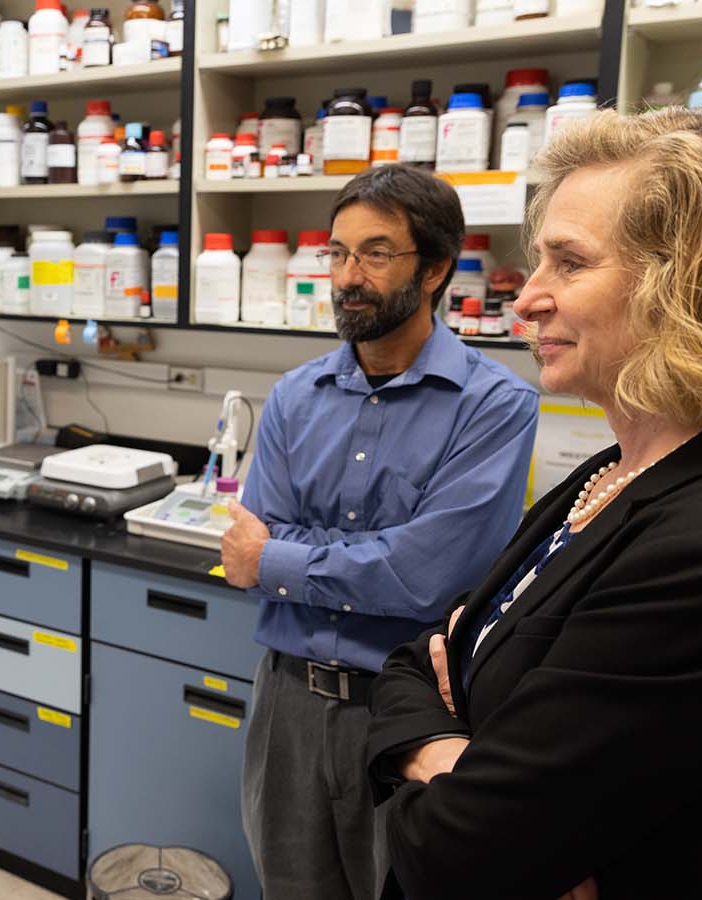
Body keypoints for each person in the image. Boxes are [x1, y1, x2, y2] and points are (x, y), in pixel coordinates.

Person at [365, 105, 702, 900]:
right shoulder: (614, 475)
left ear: (700, 289)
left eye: (568, 263)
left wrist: (443, 756)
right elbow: (415, 659)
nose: (527, 299)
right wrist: (449, 757)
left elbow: (458, 852)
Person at [219, 164, 540, 900]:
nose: (347, 276)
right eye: (336, 253)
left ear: (434, 270)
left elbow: (427, 575)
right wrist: (317, 554)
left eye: (375, 252)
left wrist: (282, 558)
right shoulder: (298, 394)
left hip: (407, 715)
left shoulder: (496, 406)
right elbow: (252, 545)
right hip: (288, 707)